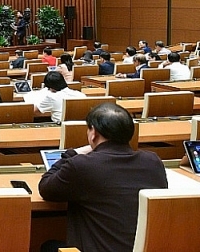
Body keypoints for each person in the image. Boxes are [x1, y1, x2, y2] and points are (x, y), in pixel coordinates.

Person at [38, 103, 168, 252]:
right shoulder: (153, 161)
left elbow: (45, 187)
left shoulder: (82, 165)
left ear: (93, 132)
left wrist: (73, 153)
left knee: (48, 246)